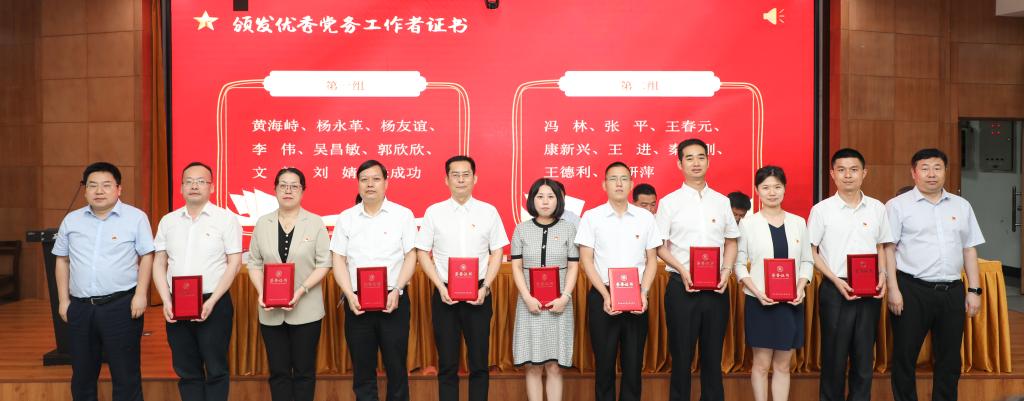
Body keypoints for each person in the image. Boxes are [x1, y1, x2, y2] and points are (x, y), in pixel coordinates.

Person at [885, 148, 984, 401]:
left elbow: (969, 249)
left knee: (950, 359)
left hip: (952, 290)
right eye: (925, 168)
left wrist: (974, 290)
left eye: (937, 168)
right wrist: (893, 289)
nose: (932, 174)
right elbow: (888, 249)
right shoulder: (897, 206)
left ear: (945, 171)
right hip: (911, 290)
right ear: (914, 173)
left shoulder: (962, 206)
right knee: (905, 356)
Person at [54, 162, 154, 401]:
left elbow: (147, 256)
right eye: (92, 185)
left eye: (106, 185)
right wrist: (63, 301)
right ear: (85, 190)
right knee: (82, 376)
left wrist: (141, 295)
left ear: (119, 189)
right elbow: (62, 260)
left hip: (120, 306)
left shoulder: (136, 218)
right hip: (80, 308)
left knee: (126, 375)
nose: (99, 191)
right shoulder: (72, 220)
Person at [415, 155, 509, 401]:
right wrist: (439, 286)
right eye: (455, 175)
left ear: (475, 178)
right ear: (446, 180)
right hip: (445, 294)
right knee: (447, 364)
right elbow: (422, 252)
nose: (460, 180)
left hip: (479, 294)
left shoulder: (488, 212)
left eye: (466, 174)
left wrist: (486, 286)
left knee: (479, 363)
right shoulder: (434, 212)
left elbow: (498, 251)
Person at [655, 139, 739, 401]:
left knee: (713, 357)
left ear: (708, 161)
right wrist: (682, 269)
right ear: (679, 164)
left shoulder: (722, 202)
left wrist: (726, 271)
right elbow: (660, 247)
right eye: (689, 158)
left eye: (701, 157)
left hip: (716, 288)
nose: (695, 163)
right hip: (681, 287)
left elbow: (731, 241)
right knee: (681, 356)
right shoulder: (669, 203)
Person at [152, 162, 242, 401]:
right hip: (177, 303)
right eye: (189, 181)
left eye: (201, 181)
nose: (194, 186)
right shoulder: (168, 221)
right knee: (186, 369)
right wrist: (166, 300)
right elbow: (159, 263)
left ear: (211, 187)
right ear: (181, 187)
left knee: (216, 368)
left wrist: (212, 301)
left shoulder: (226, 219)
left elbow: (234, 263)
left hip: (214, 301)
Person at [808, 148, 892, 401]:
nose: (848, 175)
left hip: (870, 290)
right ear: (832, 174)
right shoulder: (822, 210)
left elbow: (881, 246)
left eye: (854, 170)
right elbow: (811, 251)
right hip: (835, 288)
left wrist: (883, 275)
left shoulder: (877, 208)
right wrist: (835, 280)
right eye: (841, 170)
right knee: (834, 357)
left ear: (864, 173)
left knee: (864, 356)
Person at [575, 161, 662, 401]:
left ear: (631, 184)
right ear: (604, 185)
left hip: (636, 296)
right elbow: (586, 260)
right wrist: (605, 296)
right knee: (604, 364)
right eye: (613, 179)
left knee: (633, 364)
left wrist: (644, 293)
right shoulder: (592, 217)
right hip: (602, 295)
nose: (619, 183)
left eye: (624, 178)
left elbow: (652, 260)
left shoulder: (645, 218)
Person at [332, 160, 418, 401]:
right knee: (362, 370)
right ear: (358, 184)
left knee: (396, 368)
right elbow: (338, 259)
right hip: (357, 303)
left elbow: (411, 256)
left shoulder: (403, 215)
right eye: (364, 179)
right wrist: (349, 294)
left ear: (386, 183)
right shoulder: (346, 218)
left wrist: (397, 289)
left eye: (376, 179)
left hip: (393, 300)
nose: (370, 184)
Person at [247, 168, 332, 401]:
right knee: (278, 372)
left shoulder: (315, 222)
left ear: (303, 191)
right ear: (275, 190)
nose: (288, 190)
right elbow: (254, 262)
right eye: (283, 185)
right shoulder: (262, 223)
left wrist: (301, 290)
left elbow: (325, 263)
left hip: (307, 309)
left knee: (304, 372)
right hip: (270, 311)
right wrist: (262, 292)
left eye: (294, 186)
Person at [734, 166, 813, 401]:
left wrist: (800, 288)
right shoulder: (748, 224)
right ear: (757, 190)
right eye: (766, 187)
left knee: (783, 365)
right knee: (761, 364)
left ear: (784, 189)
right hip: (759, 302)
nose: (772, 192)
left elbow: (807, 261)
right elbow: (739, 264)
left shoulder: (798, 222)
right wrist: (757, 292)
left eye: (777, 187)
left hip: (791, 303)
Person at [510, 178, 579, 401]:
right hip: (529, 304)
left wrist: (565, 297)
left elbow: (573, 266)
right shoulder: (521, 229)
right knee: (532, 366)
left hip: (560, 304)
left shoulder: (569, 228)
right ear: (532, 200)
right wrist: (527, 297)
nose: (545, 201)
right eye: (540, 196)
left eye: (551, 196)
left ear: (559, 200)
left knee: (554, 366)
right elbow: (516, 267)